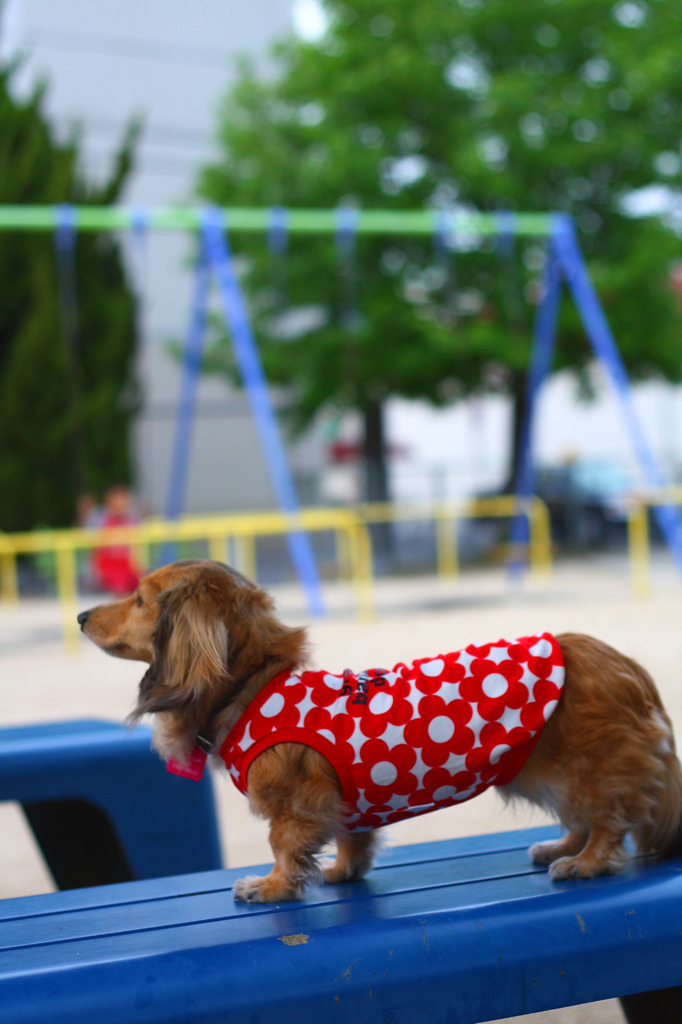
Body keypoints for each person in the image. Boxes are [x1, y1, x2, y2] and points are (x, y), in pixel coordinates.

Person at [91, 484, 142, 596]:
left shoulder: (131, 520)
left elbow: (136, 552)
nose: (121, 503)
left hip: (128, 568)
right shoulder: (102, 522)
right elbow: (96, 552)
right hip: (111, 569)